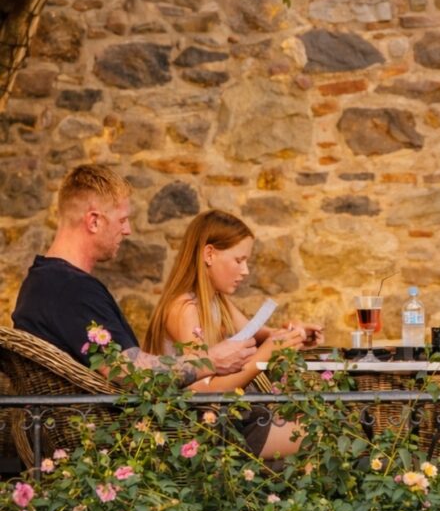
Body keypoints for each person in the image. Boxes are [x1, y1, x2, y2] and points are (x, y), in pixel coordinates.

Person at [11, 165, 292, 456]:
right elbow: (132, 372)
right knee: (308, 431)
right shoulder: (71, 289)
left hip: (87, 438)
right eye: (122, 220)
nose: (128, 230)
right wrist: (211, 360)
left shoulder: (43, 282)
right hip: (123, 446)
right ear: (93, 221)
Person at [143, 209, 321, 458]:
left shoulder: (218, 301)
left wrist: (296, 333)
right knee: (323, 435)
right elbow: (203, 393)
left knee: (328, 425)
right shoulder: (184, 309)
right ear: (209, 254)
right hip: (208, 430)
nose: (245, 271)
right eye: (239, 260)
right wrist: (264, 356)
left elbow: (261, 334)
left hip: (236, 417)